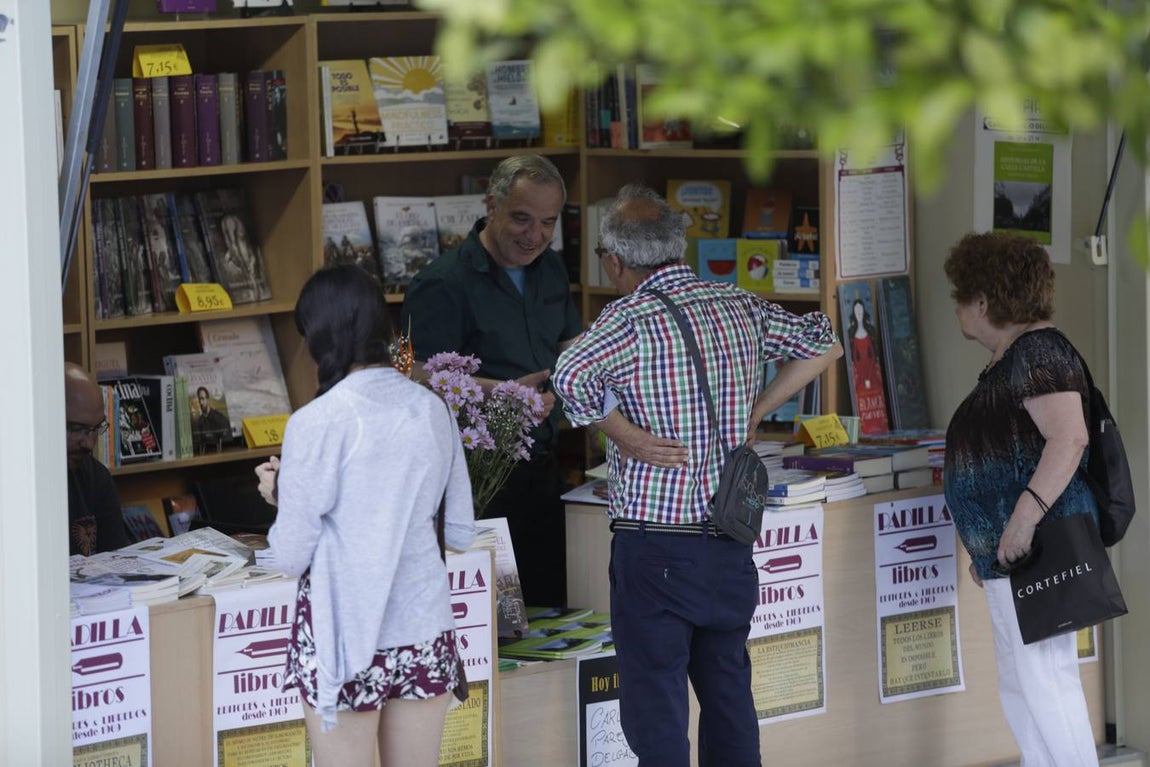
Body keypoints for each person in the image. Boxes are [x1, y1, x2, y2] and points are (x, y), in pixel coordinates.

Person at [552, 185, 841, 767]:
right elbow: (824, 342)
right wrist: (759, 407)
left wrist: (626, 437)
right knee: (730, 695)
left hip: (655, 546)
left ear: (614, 259)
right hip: (729, 542)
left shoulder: (626, 320)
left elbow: (569, 374)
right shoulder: (737, 304)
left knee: (656, 710)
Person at [253, 264, 475, 767]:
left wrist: (283, 493)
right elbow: (459, 530)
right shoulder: (432, 409)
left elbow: (288, 555)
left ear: (322, 336)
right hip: (423, 626)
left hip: (344, 630)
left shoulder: (316, 422)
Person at [942, 231, 1099, 766]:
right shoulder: (1018, 355)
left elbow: (1069, 437)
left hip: (1035, 547)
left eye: (960, 296)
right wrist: (987, 537)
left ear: (982, 301)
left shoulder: (1038, 351)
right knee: (1022, 682)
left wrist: (1020, 522)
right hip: (1011, 551)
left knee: (1045, 680)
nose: (958, 309)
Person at [401, 154, 580, 608]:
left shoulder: (552, 267)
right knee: (495, 622)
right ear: (491, 205)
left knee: (547, 610)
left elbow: (571, 347)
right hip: (475, 484)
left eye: (547, 222)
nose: (534, 236)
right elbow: (416, 377)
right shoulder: (442, 283)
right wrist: (504, 392)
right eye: (521, 219)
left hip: (543, 467)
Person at [65, 362, 128, 556]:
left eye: (96, 429)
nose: (89, 443)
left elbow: (116, 560)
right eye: (77, 429)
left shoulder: (97, 478)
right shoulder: (17, 487)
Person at [192, 385, 231, 452]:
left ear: (208, 400)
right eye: (199, 399)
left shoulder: (220, 418)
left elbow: (227, 440)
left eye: (203, 399)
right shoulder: (199, 421)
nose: (201, 403)